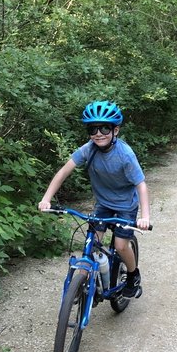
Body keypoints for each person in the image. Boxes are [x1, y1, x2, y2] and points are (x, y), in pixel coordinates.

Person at [38, 100, 150, 298]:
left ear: (116, 130)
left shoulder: (125, 154)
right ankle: (81, 286)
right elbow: (63, 172)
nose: (98, 133)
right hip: (103, 204)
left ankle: (133, 275)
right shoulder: (88, 149)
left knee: (120, 246)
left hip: (125, 205)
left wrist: (144, 217)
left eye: (105, 128)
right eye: (93, 129)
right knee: (91, 244)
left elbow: (140, 185)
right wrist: (46, 198)